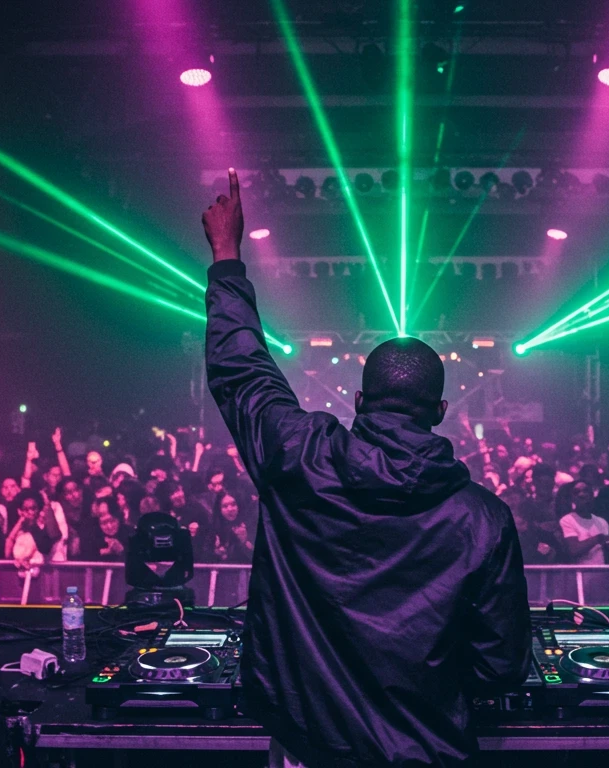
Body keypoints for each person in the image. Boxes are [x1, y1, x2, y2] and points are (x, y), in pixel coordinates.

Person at [202, 170, 529, 768]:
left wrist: (228, 258)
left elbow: (243, 374)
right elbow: (499, 666)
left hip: (310, 749)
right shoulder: (483, 521)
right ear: (441, 412)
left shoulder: (302, 458)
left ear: (357, 399)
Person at [558, 482, 609, 565]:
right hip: (579, 575)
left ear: (592, 496)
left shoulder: (602, 522)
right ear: (572, 498)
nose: (581, 495)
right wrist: (598, 538)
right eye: (576, 492)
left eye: (586, 491)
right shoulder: (567, 520)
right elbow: (574, 550)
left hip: (602, 574)